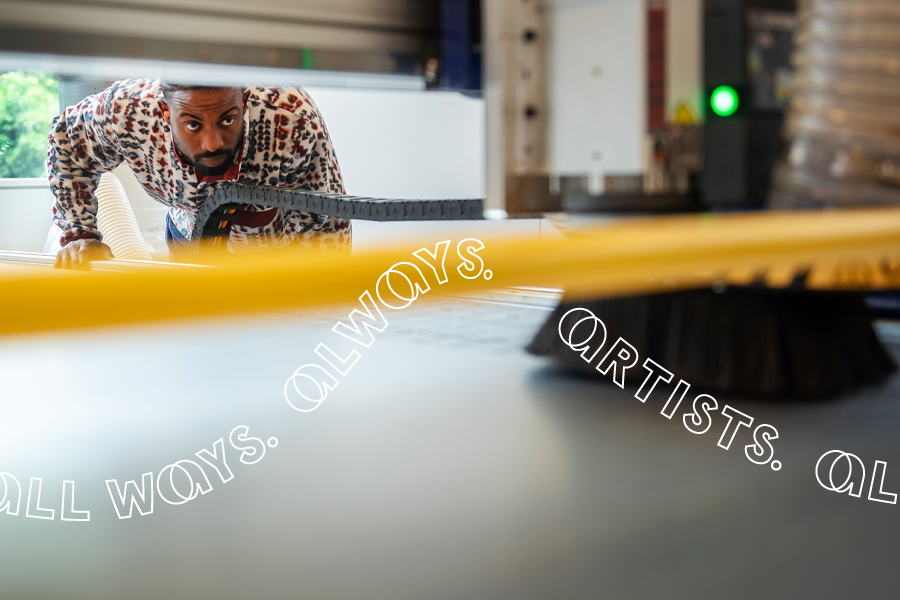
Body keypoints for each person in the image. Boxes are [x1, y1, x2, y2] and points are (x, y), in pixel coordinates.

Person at [48, 80, 351, 268]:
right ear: (166, 113)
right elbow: (67, 143)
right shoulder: (130, 111)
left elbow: (327, 223)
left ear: (244, 103)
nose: (213, 143)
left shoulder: (291, 117)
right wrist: (78, 233)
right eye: (193, 124)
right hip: (188, 234)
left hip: (271, 255)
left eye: (227, 120)